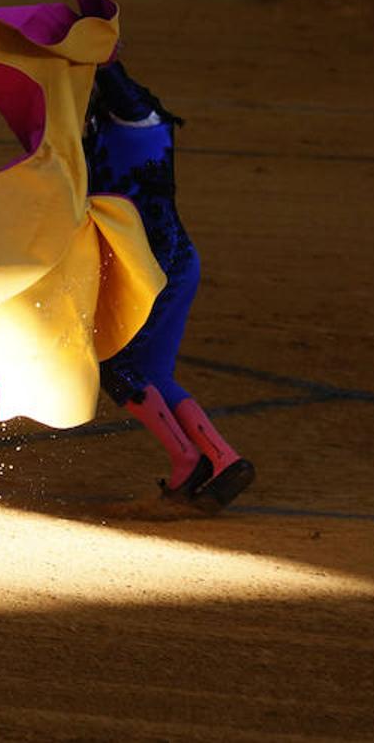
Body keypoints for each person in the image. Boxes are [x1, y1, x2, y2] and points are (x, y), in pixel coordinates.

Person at [83, 60, 256, 513]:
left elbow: (116, 86)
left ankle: (186, 459)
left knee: (116, 366)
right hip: (175, 262)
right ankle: (224, 460)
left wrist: (100, 51)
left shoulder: (134, 119)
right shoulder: (136, 129)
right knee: (154, 373)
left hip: (153, 272)